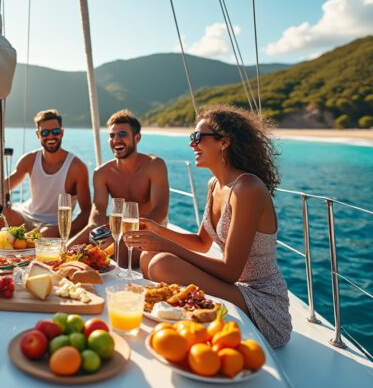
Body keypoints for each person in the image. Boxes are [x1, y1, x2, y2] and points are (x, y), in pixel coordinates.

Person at [124, 104, 292, 348]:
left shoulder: (247, 189)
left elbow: (230, 271)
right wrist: (157, 230)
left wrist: (166, 245)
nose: (192, 144)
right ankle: (180, 319)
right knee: (149, 257)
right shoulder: (215, 185)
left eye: (197, 137)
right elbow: (202, 243)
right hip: (235, 288)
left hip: (262, 302)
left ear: (223, 142)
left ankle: (180, 324)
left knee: (161, 262)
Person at [68, 110, 169, 269]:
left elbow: (160, 210)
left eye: (122, 134)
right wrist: (98, 230)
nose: (116, 140)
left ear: (137, 138)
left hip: (149, 229)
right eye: (112, 135)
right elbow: (98, 208)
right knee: (67, 250)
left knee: (118, 255)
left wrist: (125, 234)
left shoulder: (155, 165)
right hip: (118, 228)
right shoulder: (101, 173)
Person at [0, 109, 91, 237]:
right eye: (45, 132)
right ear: (38, 134)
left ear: (62, 133)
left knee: (44, 235)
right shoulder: (29, 160)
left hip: (53, 226)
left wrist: (65, 230)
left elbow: (86, 212)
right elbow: (3, 187)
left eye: (55, 131)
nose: (50, 136)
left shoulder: (77, 168)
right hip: (26, 218)